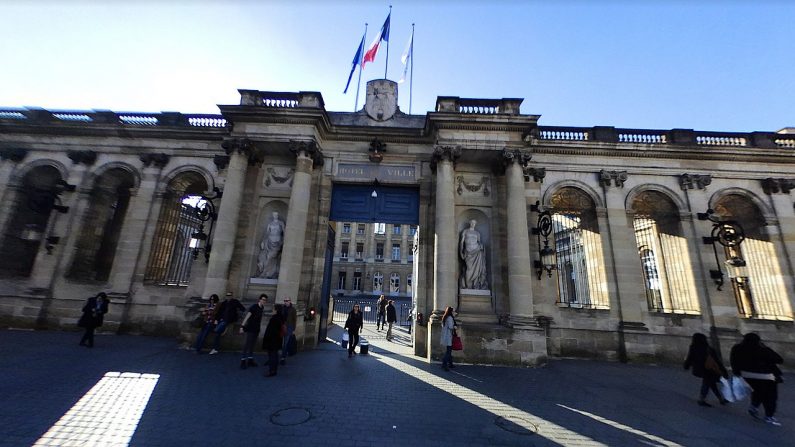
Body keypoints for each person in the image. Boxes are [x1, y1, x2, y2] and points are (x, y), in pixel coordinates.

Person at [730, 332, 784, 426]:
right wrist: (765, 347)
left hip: (747, 375)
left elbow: (733, 360)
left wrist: (737, 372)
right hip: (766, 376)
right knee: (770, 396)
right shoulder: (762, 349)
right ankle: (769, 416)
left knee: (757, 390)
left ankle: (754, 406)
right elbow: (779, 359)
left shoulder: (737, 348)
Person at [683, 333, 728, 407]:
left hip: (699, 369)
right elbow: (717, 361)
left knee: (711, 383)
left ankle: (720, 399)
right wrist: (723, 370)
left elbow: (689, 358)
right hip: (709, 369)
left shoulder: (693, 347)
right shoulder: (708, 349)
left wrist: (686, 366)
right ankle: (702, 399)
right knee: (708, 383)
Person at [238, 294, 268, 369]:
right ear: (259, 299)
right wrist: (242, 326)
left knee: (252, 345)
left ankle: (250, 359)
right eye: (263, 299)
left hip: (256, 329)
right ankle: (243, 360)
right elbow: (247, 316)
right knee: (247, 344)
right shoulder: (254, 307)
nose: (264, 301)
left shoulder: (262, 308)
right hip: (250, 328)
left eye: (265, 300)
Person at [459, 219, 488, 290]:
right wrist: (461, 252)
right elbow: (462, 243)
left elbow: (479, 242)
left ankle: (475, 284)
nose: (473, 224)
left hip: (477, 251)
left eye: (474, 223)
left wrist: (482, 247)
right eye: (472, 222)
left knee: (477, 269)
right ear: (469, 223)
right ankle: (467, 285)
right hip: (468, 251)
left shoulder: (477, 233)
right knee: (469, 269)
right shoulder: (465, 231)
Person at [256, 211, 285, 279]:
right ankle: (266, 272)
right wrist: (263, 241)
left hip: (277, 242)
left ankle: (265, 273)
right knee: (265, 256)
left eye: (276, 214)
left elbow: (284, 233)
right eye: (274, 214)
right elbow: (267, 233)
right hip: (269, 241)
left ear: (278, 215)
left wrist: (283, 242)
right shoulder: (270, 223)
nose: (275, 216)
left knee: (270, 257)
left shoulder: (281, 223)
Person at [262, 304, 285, 377]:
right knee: (275, 355)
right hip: (277, 340)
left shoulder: (274, 319)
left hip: (272, 340)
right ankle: (274, 370)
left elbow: (270, 331)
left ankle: (272, 371)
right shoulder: (281, 318)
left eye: (273, 309)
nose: (272, 310)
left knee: (272, 355)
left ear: (276, 310)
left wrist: (267, 340)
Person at [280, 297, 297, 365]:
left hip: (289, 328)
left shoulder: (293, 309)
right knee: (280, 342)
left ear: (290, 301)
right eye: (285, 300)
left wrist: (293, 329)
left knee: (285, 343)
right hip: (281, 327)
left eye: (287, 300)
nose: (286, 302)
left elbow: (294, 319)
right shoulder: (282, 308)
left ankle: (283, 358)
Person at [440, 306, 457, 371]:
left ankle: (450, 364)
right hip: (448, 336)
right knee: (448, 351)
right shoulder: (450, 318)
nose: (454, 312)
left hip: (446, 336)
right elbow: (450, 327)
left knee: (449, 350)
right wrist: (455, 327)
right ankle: (444, 364)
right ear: (451, 312)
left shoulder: (445, 317)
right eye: (453, 311)